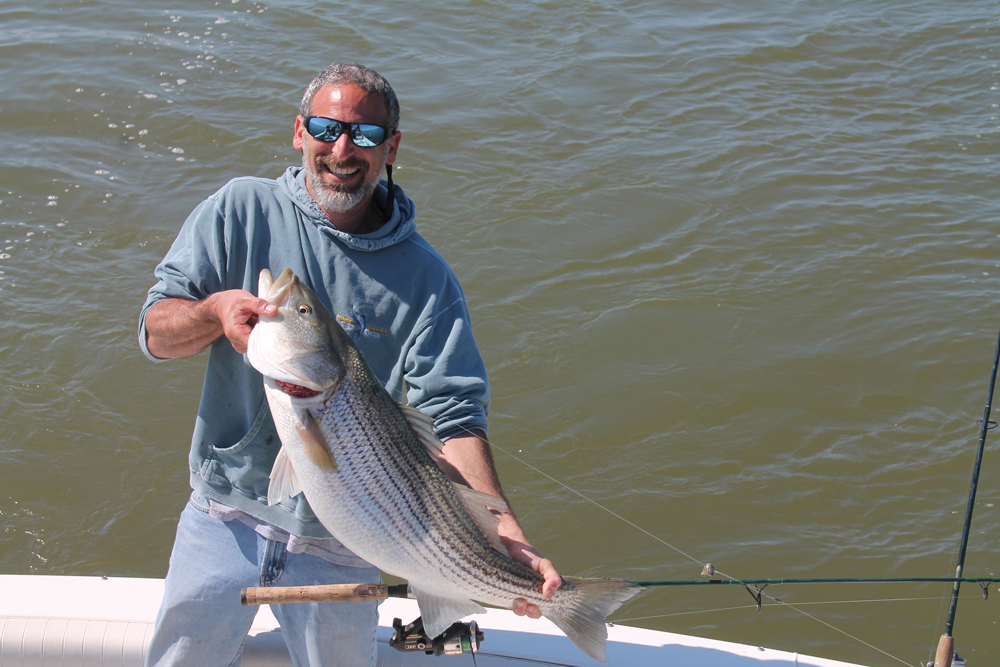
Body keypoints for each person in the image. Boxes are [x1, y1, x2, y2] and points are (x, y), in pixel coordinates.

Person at [138, 62, 561, 667]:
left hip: (352, 532)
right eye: (325, 128)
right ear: (298, 132)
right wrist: (212, 313)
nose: (341, 149)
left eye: (364, 136)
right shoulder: (240, 209)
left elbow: (453, 415)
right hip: (222, 512)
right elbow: (155, 331)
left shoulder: (427, 279)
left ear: (391, 149)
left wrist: (505, 534)